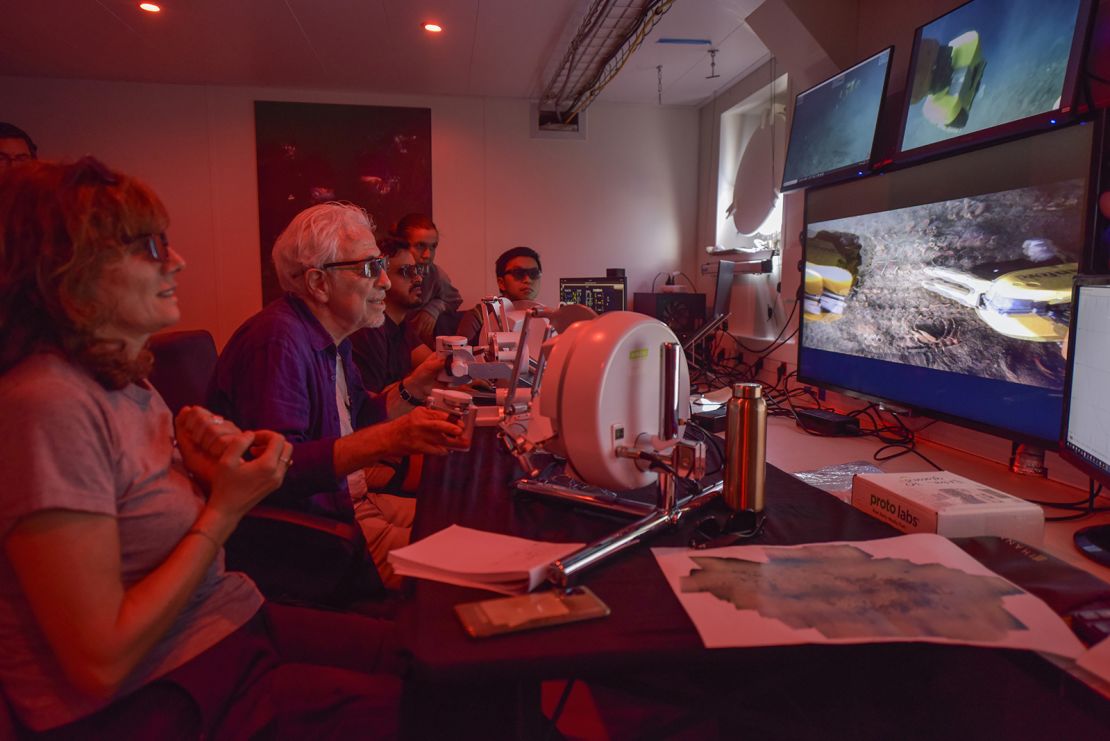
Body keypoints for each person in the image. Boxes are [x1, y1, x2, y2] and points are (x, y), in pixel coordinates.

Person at [0, 158, 401, 738]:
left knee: (428, 662)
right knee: (443, 705)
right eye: (149, 247)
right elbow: (98, 662)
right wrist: (223, 506)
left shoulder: (125, 380)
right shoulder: (46, 404)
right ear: (62, 272)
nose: (178, 261)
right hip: (168, 692)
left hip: (226, 630)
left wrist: (206, 469)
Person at [209, 203, 467, 586]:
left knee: (468, 518)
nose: (383, 282)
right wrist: (393, 437)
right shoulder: (278, 340)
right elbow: (281, 470)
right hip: (317, 536)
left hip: (352, 500)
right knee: (462, 567)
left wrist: (414, 387)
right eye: (369, 269)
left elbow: (358, 414)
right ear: (317, 283)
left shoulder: (334, 334)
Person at [350, 237, 430, 394]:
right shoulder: (369, 330)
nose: (418, 278)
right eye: (406, 271)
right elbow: (373, 404)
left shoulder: (400, 324)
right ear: (381, 279)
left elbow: (431, 363)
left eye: (417, 270)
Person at [392, 213, 463, 346]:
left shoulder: (435, 273)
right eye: (420, 246)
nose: (427, 255)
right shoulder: (385, 276)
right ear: (400, 245)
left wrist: (434, 308)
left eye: (433, 247)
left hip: (415, 341)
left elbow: (454, 299)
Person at [456, 246, 544, 346]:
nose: (528, 280)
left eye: (534, 273)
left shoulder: (546, 316)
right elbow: (461, 355)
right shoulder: (480, 316)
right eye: (518, 273)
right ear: (501, 283)